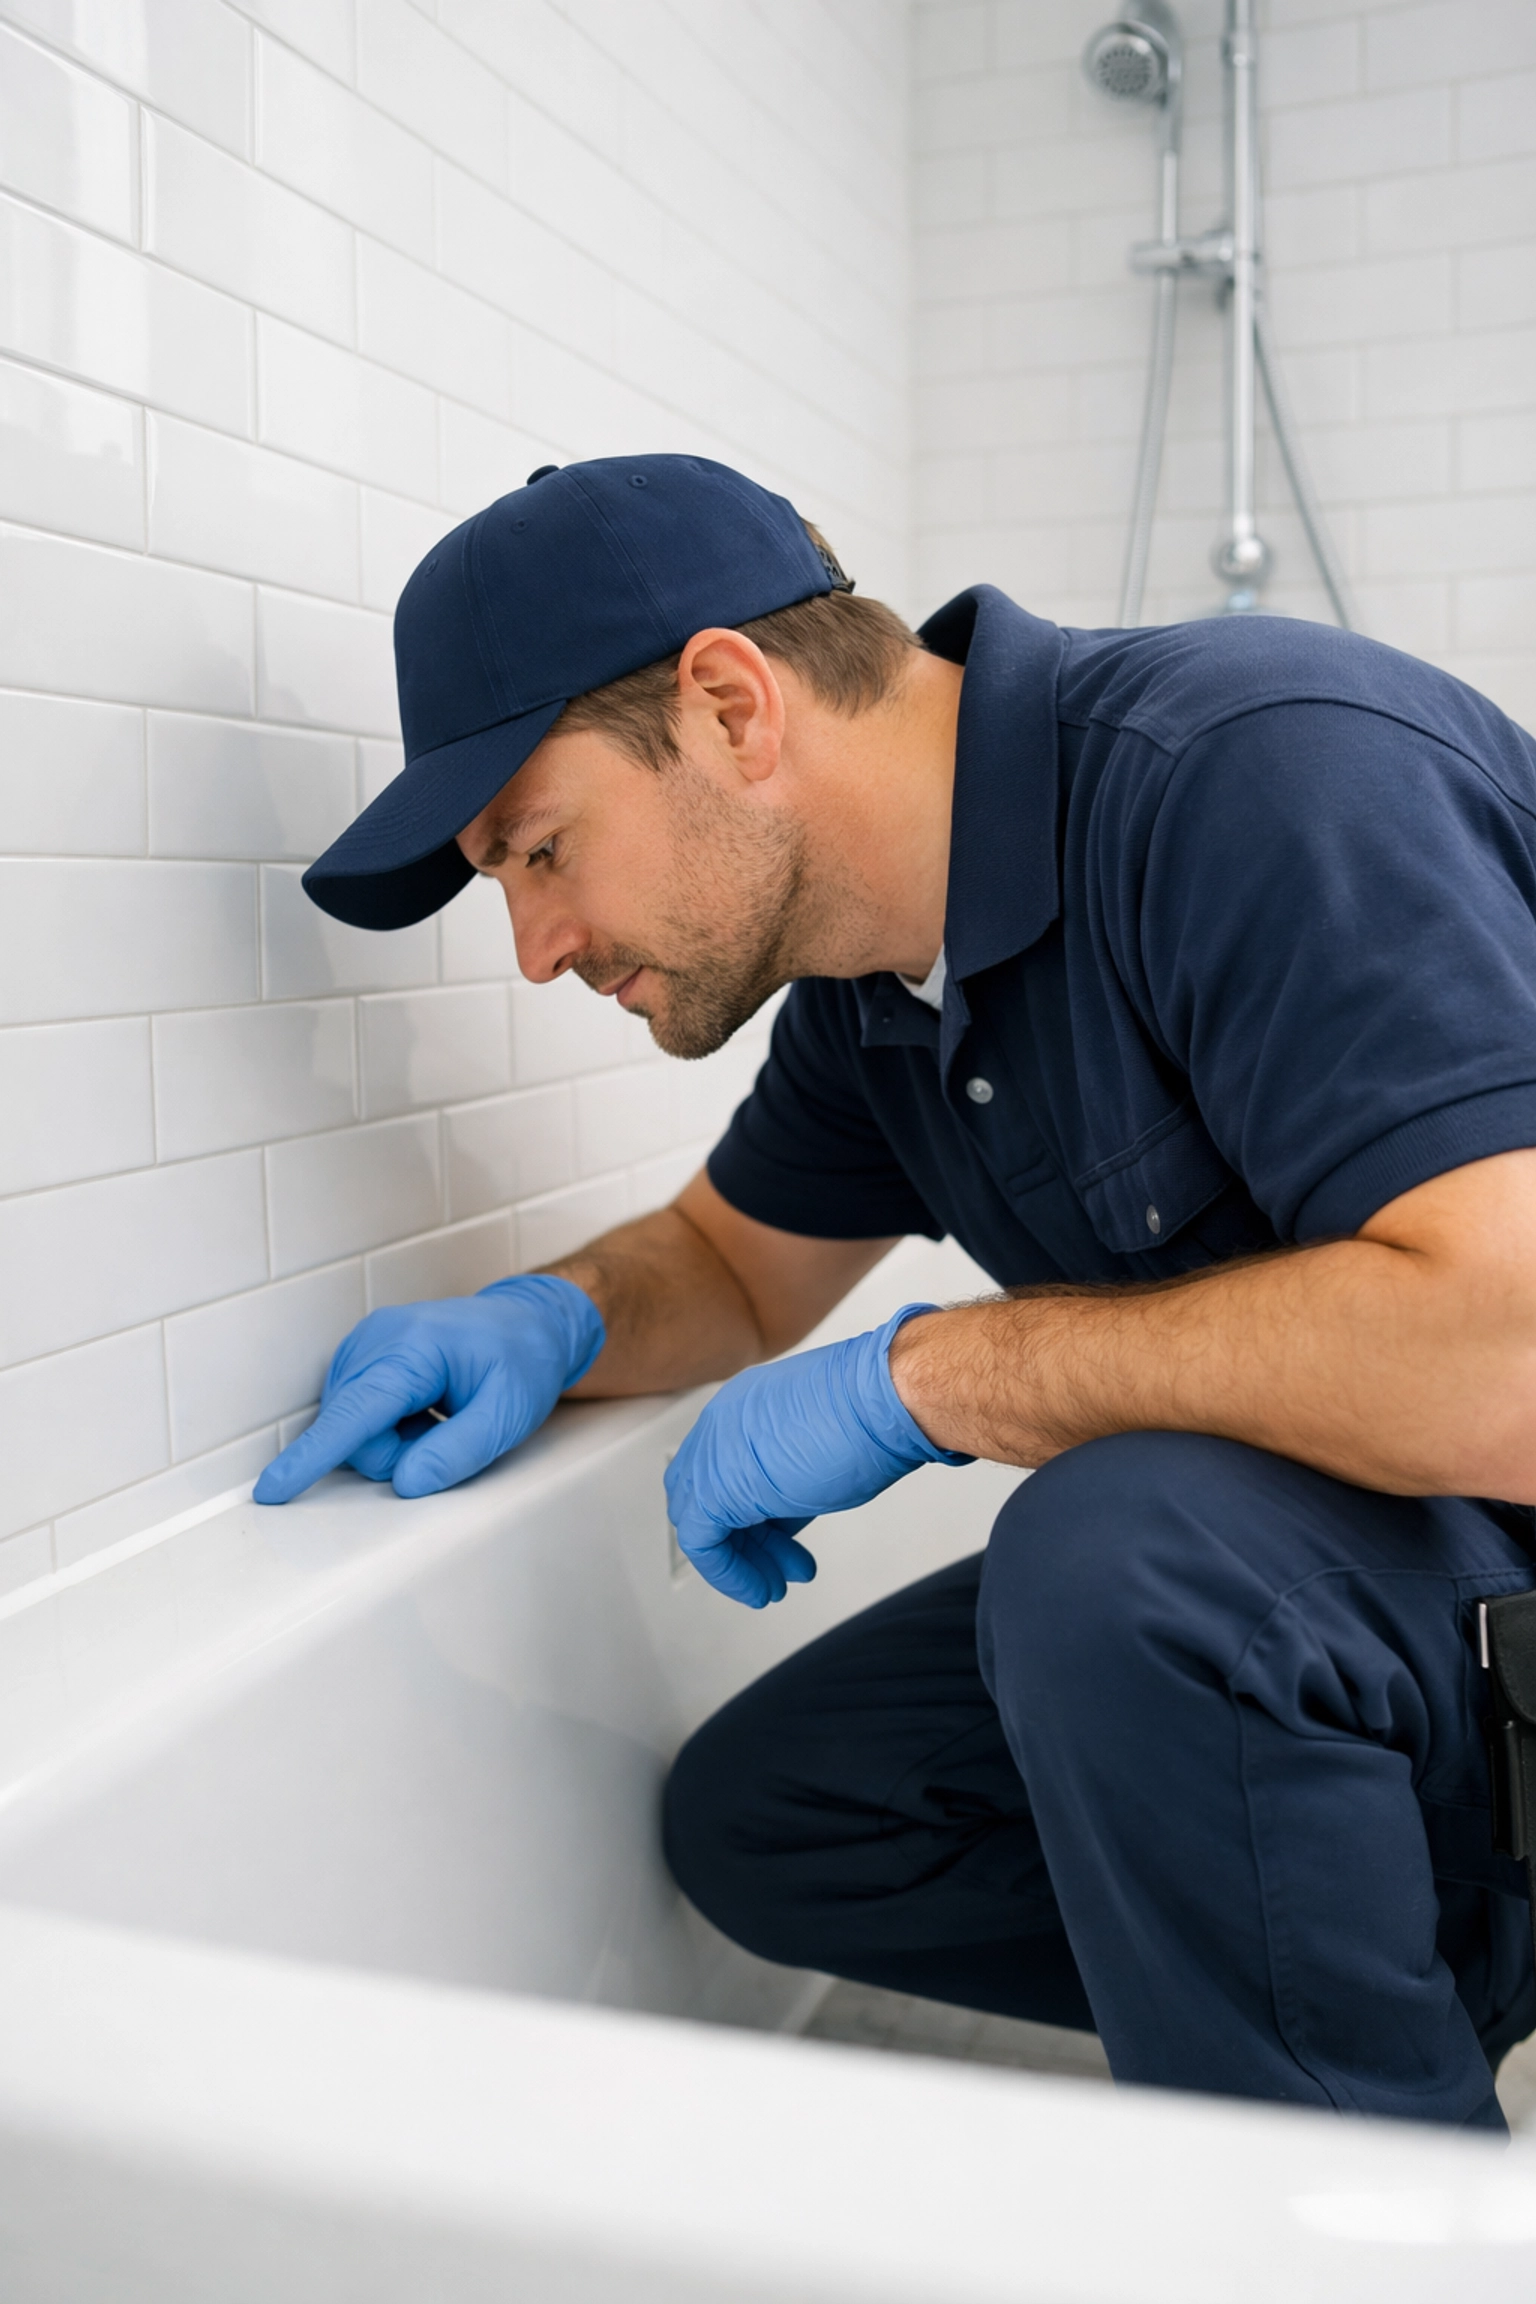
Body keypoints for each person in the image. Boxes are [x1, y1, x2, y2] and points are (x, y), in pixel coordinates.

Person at [256, 453, 1536, 2129]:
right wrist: (551, 1316)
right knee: (786, 1815)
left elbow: (1504, 1355)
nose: (537, 948)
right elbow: (723, 1265)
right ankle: (1401, 1980)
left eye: (540, 851)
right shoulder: (874, 997)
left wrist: (932, 1377)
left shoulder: (1251, 774)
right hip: (1417, 1594)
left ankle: (1356, 2235)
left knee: (1117, 1554)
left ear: (730, 707)